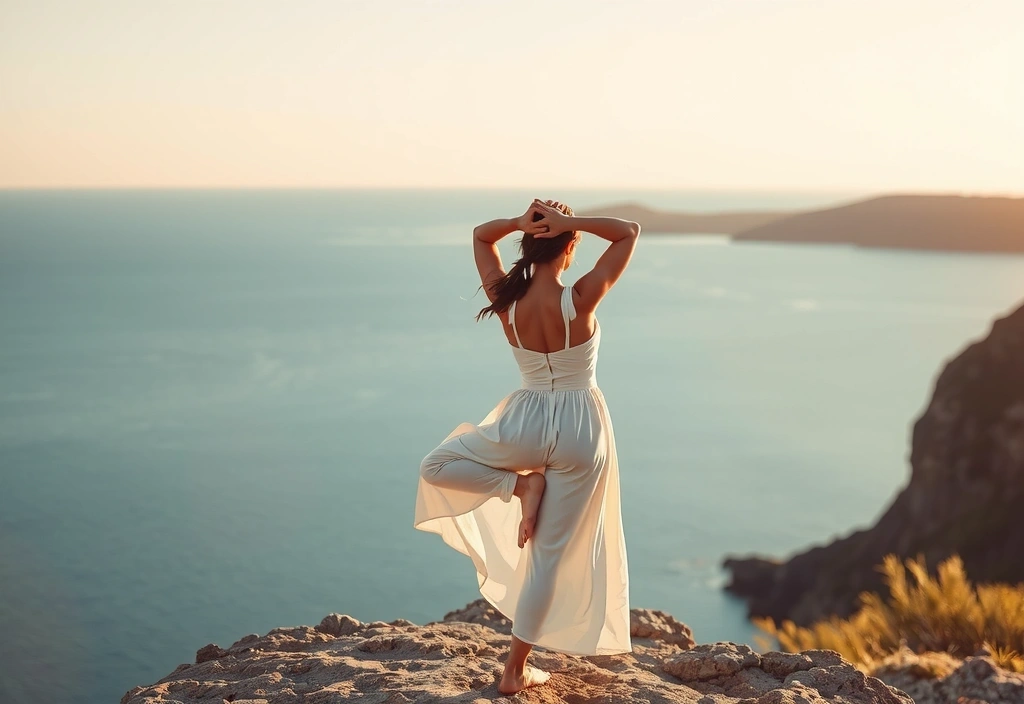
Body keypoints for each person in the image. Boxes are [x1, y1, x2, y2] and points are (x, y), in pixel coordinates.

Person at [414, 198, 640, 695]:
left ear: (525, 244)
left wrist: (519, 222)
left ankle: (520, 486)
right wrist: (572, 222)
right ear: (569, 248)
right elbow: (628, 231)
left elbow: (479, 235)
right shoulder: (579, 297)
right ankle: (514, 671)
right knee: (548, 557)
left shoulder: (506, 300)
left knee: (436, 464)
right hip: (582, 428)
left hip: (527, 422)